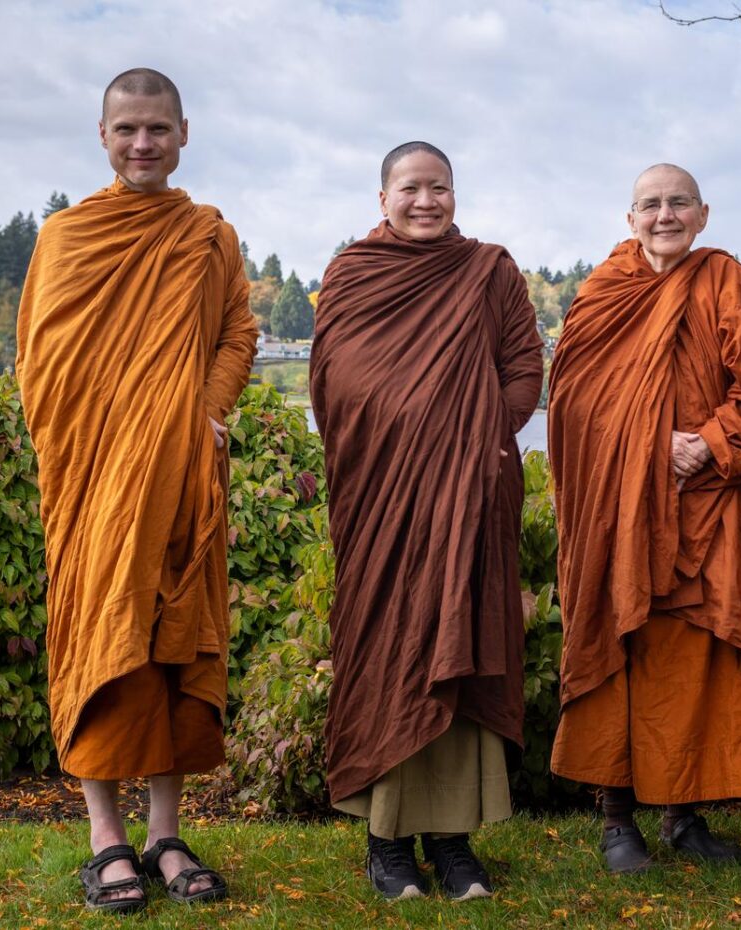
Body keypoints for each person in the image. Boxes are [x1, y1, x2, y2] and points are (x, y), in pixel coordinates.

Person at [16, 67, 258, 914]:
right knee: (100, 637)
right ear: (103, 135)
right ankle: (104, 840)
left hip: (182, 477)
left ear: (184, 133)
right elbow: (39, 360)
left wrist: (207, 410)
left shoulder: (207, 237)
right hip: (94, 484)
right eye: (128, 130)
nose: (144, 143)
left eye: (158, 128)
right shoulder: (67, 237)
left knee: (169, 641)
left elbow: (238, 329)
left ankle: (165, 835)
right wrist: (92, 445)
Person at [548, 164, 741, 873]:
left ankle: (683, 815)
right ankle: (616, 820)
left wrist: (711, 443)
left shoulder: (725, 282)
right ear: (630, 219)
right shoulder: (602, 296)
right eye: (651, 205)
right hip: (618, 511)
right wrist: (641, 447)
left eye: (679, 203)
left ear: (703, 214)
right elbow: (570, 406)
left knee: (699, 657)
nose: (665, 216)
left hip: (709, 501)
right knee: (617, 641)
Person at [310, 141, 543, 901]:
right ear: (383, 199)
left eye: (438, 188)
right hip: (384, 503)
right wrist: (412, 440)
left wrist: (476, 442)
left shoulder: (489, 270)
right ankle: (387, 843)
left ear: (454, 194)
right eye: (410, 188)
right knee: (392, 649)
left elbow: (523, 368)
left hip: (472, 498)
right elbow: (335, 384)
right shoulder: (353, 275)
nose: (425, 201)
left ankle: (454, 843)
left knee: (464, 646)